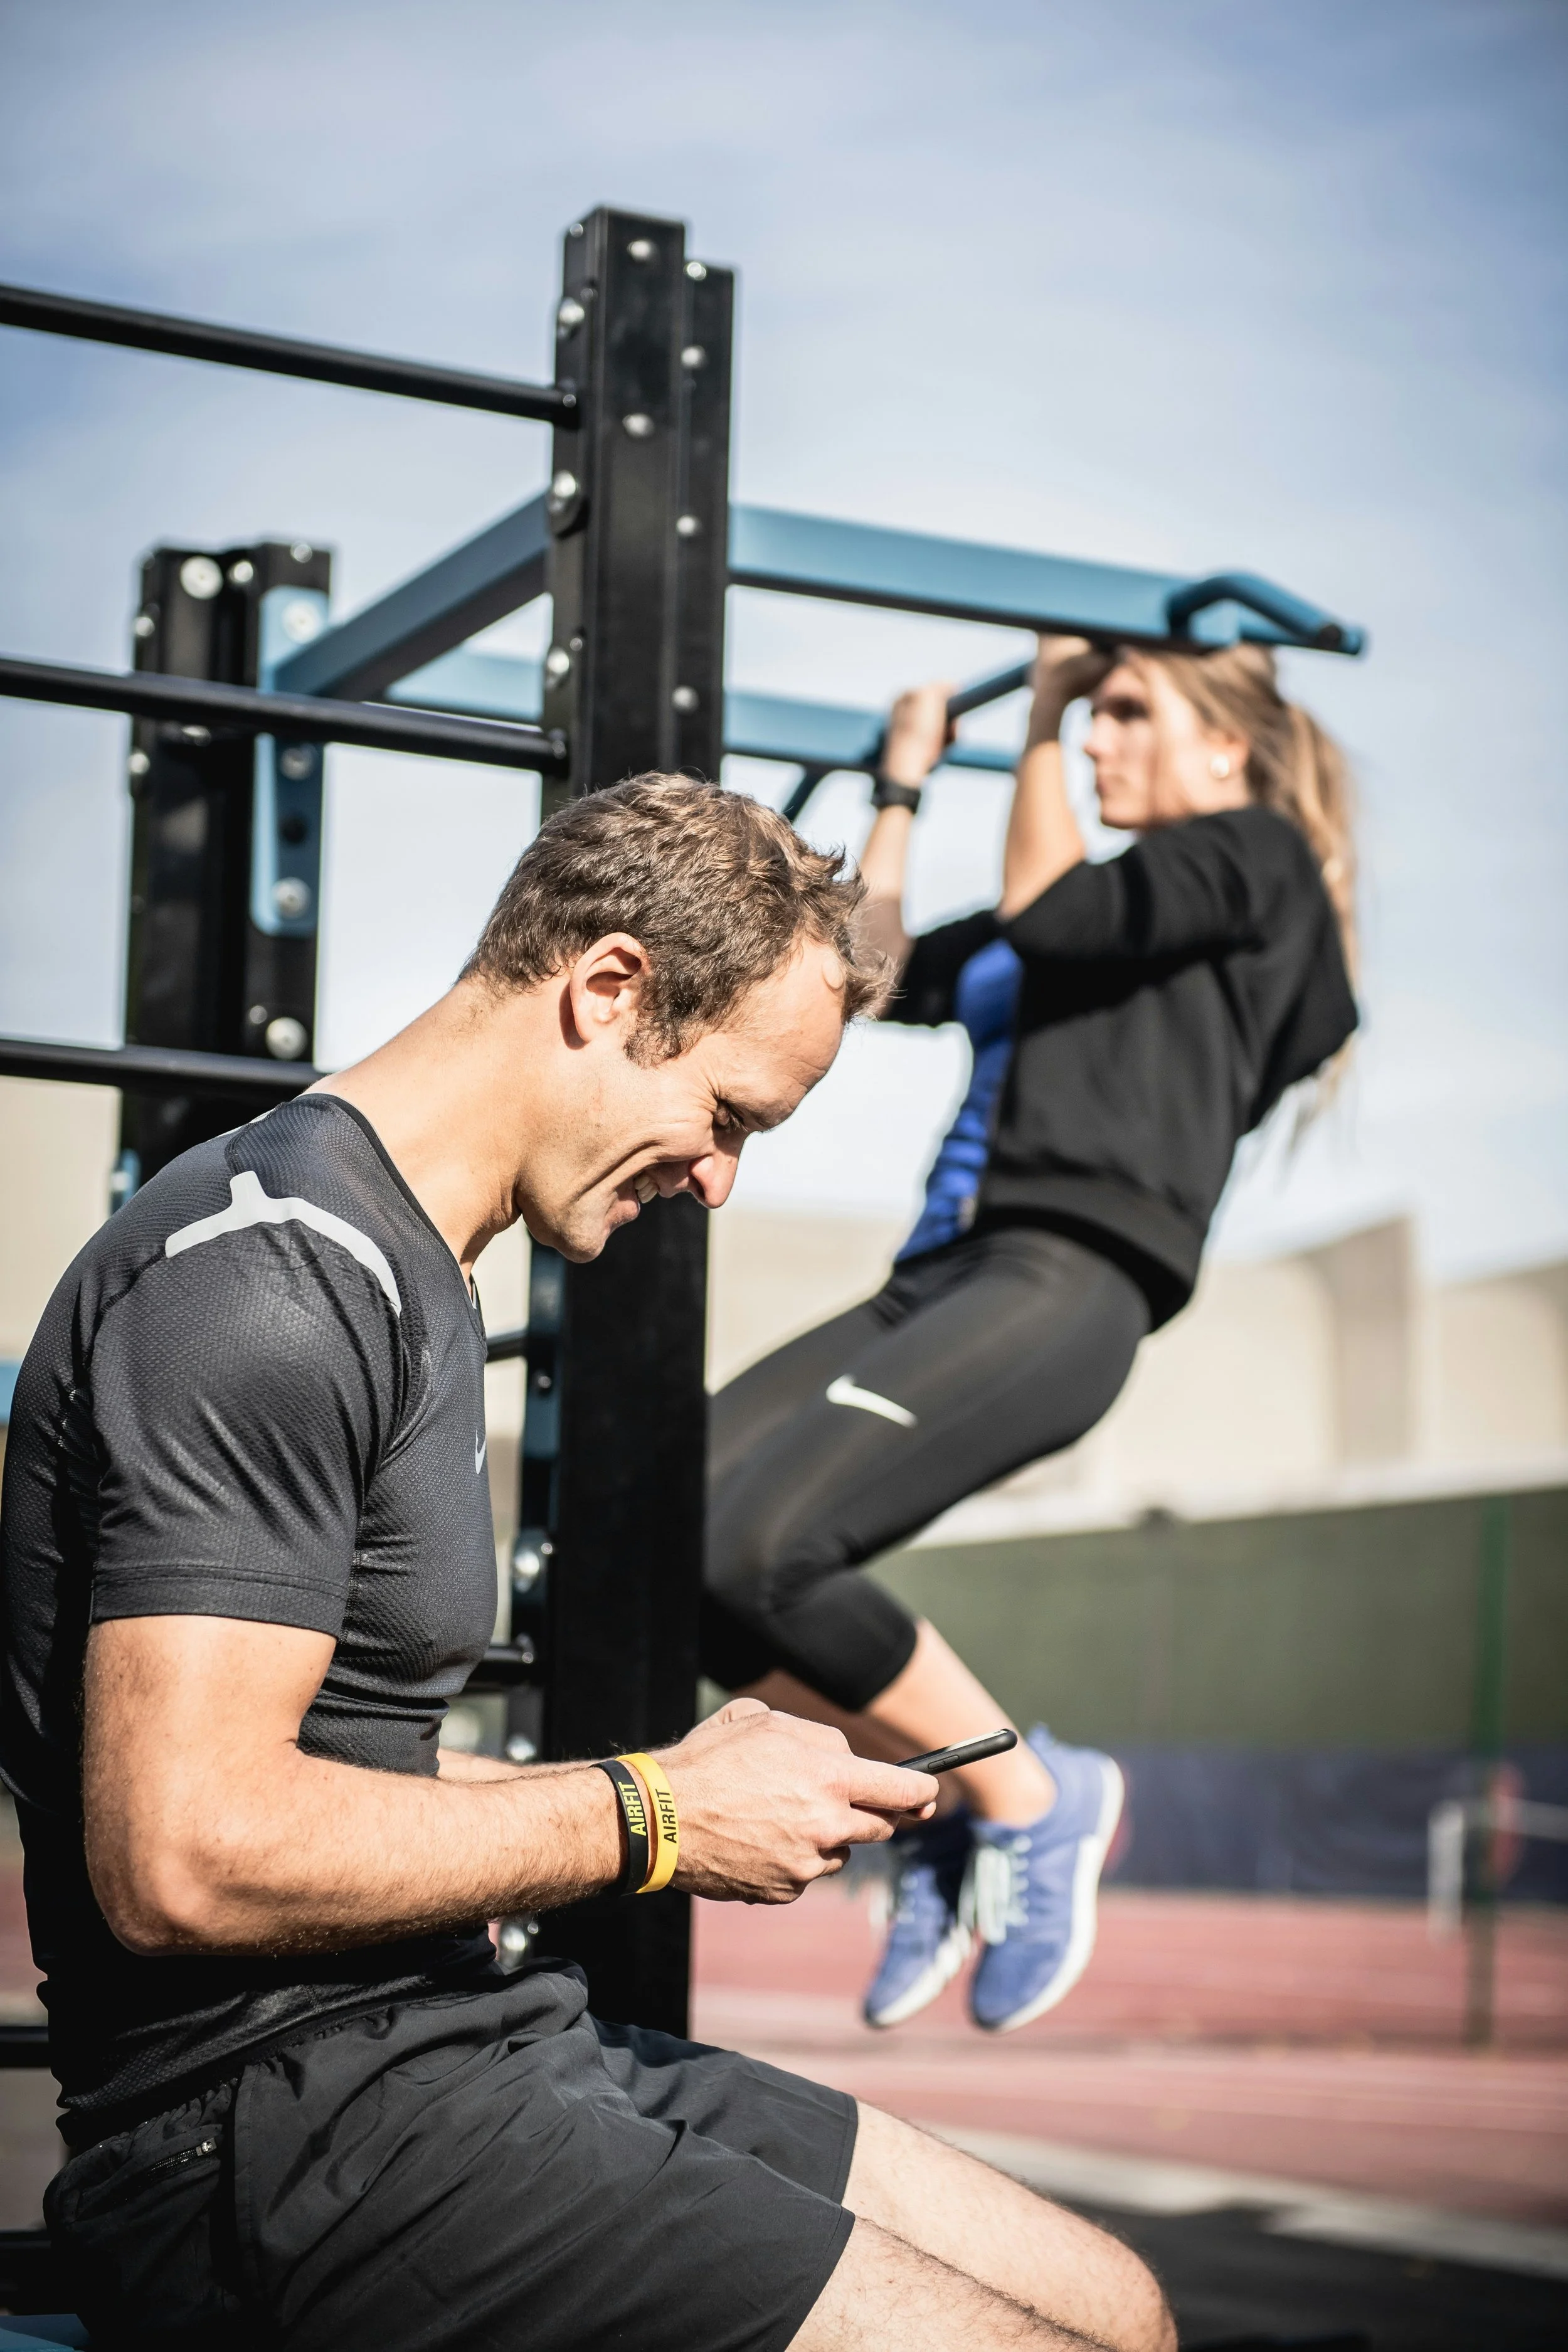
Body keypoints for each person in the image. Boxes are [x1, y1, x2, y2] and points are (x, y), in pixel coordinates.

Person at [0, 775, 1172, 2352]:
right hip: (274, 2144)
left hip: (456, 2045)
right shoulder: (270, 1283)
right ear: (609, 988)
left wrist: (689, 1781)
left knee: (1117, 2306)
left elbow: (344, 1780)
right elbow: (187, 1855)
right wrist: (657, 1817)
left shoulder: (408, 1263)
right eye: (729, 1116)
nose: (719, 1180)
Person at [703, 638, 1359, 2037]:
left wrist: (1047, 714)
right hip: (937, 1278)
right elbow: (859, 975)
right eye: (1096, 712)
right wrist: (901, 785)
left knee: (764, 1547)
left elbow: (1056, 913)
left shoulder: (1253, 864)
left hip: (1068, 1278)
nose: (1104, 738)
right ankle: (954, 1807)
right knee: (664, 1549)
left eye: (1133, 713)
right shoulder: (1070, 899)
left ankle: (1030, 1796)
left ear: (1226, 750)